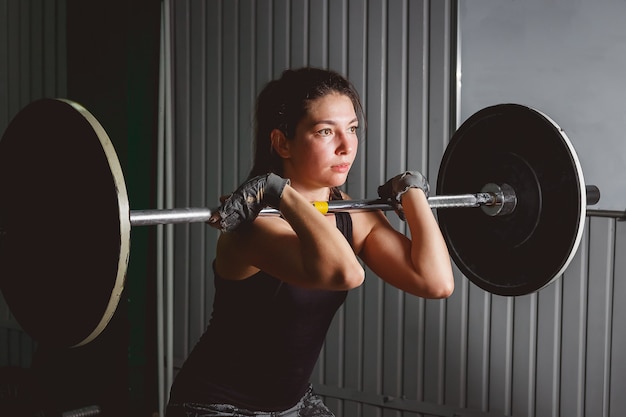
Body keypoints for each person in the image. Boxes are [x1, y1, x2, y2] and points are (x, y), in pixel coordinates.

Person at [165, 67, 454, 417]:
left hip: (294, 404)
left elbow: (435, 281)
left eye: (351, 129)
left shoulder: (350, 211)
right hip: (216, 404)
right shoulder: (254, 226)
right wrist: (276, 192)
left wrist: (412, 193)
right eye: (325, 131)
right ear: (282, 142)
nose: (346, 146)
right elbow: (345, 273)